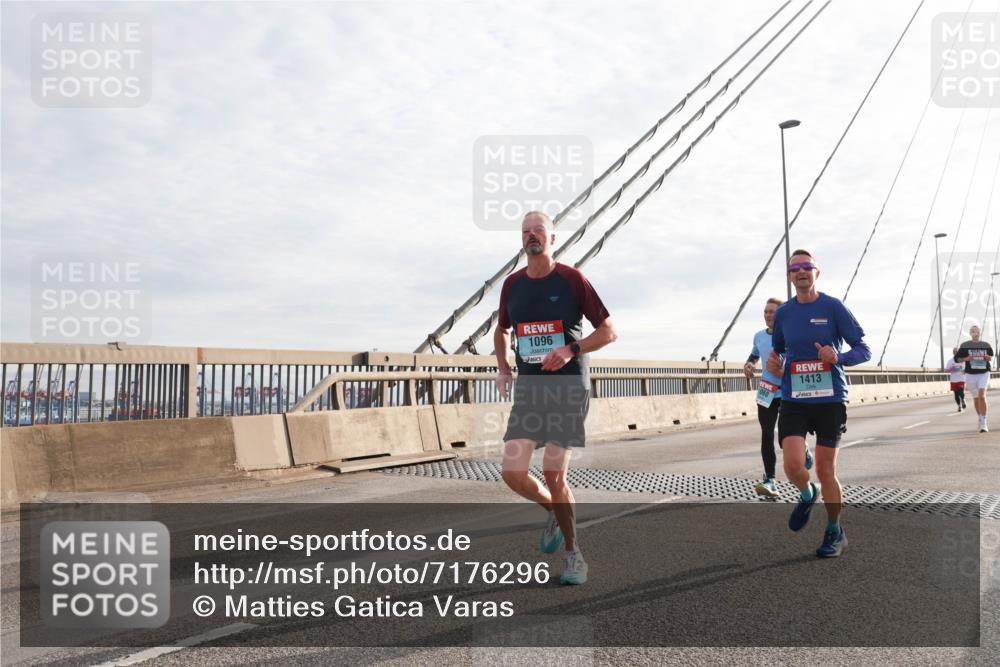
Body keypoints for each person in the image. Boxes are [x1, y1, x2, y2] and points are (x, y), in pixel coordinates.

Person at [494, 211, 617, 585]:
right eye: (526, 232)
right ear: (522, 240)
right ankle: (554, 510)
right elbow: (501, 330)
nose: (532, 236)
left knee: (553, 472)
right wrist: (502, 367)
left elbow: (609, 331)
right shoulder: (512, 285)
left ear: (552, 239)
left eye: (539, 231)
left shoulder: (572, 279)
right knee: (512, 474)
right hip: (530, 391)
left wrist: (571, 349)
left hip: (567, 387)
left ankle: (573, 554)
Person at [767, 250, 871, 558]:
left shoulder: (833, 307)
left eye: (806, 267)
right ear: (789, 276)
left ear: (817, 273)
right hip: (794, 398)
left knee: (826, 470)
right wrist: (777, 365)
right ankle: (806, 492)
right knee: (792, 465)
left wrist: (839, 357)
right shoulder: (784, 313)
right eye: (795, 267)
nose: (801, 271)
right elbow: (780, 352)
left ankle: (835, 529)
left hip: (830, 400)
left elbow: (863, 349)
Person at [743, 298, 813, 498]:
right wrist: (749, 365)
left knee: (784, 437)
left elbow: (802, 362)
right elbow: (754, 355)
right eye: (765, 311)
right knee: (766, 433)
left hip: (789, 391)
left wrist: (784, 372)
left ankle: (804, 448)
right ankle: (770, 480)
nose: (768, 315)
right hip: (767, 391)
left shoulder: (792, 336)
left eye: (772, 312)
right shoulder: (758, 336)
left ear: (781, 314)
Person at [955, 324, 994, 433]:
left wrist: (988, 358)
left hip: (984, 373)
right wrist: (966, 358)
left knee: (982, 396)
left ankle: (984, 423)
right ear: (970, 333)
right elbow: (957, 359)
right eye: (972, 331)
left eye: (976, 331)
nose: (974, 333)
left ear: (980, 333)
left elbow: (991, 357)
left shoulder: (986, 345)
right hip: (970, 374)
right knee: (976, 398)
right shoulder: (965, 345)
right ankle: (980, 418)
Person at [944, 347, 967, 412]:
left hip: (961, 379)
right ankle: (959, 406)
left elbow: (967, 369)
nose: (955, 352)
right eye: (954, 351)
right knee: (956, 394)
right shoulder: (950, 361)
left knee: (961, 392)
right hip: (953, 380)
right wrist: (953, 369)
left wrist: (964, 371)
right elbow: (946, 370)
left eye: (957, 351)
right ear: (953, 353)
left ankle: (962, 400)